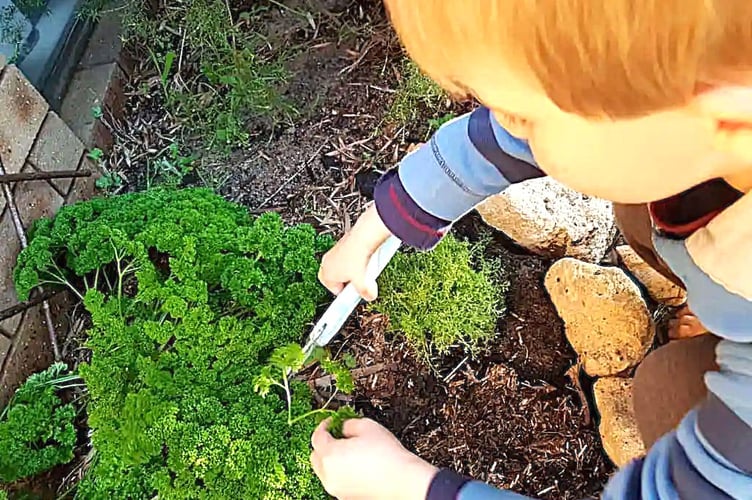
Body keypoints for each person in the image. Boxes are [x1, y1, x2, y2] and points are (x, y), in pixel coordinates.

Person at [313, 1, 752, 498]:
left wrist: (407, 487)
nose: (509, 127)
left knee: (661, 393)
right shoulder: (698, 113)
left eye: (524, 116)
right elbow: (504, 143)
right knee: (639, 207)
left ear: (728, 117)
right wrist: (383, 219)